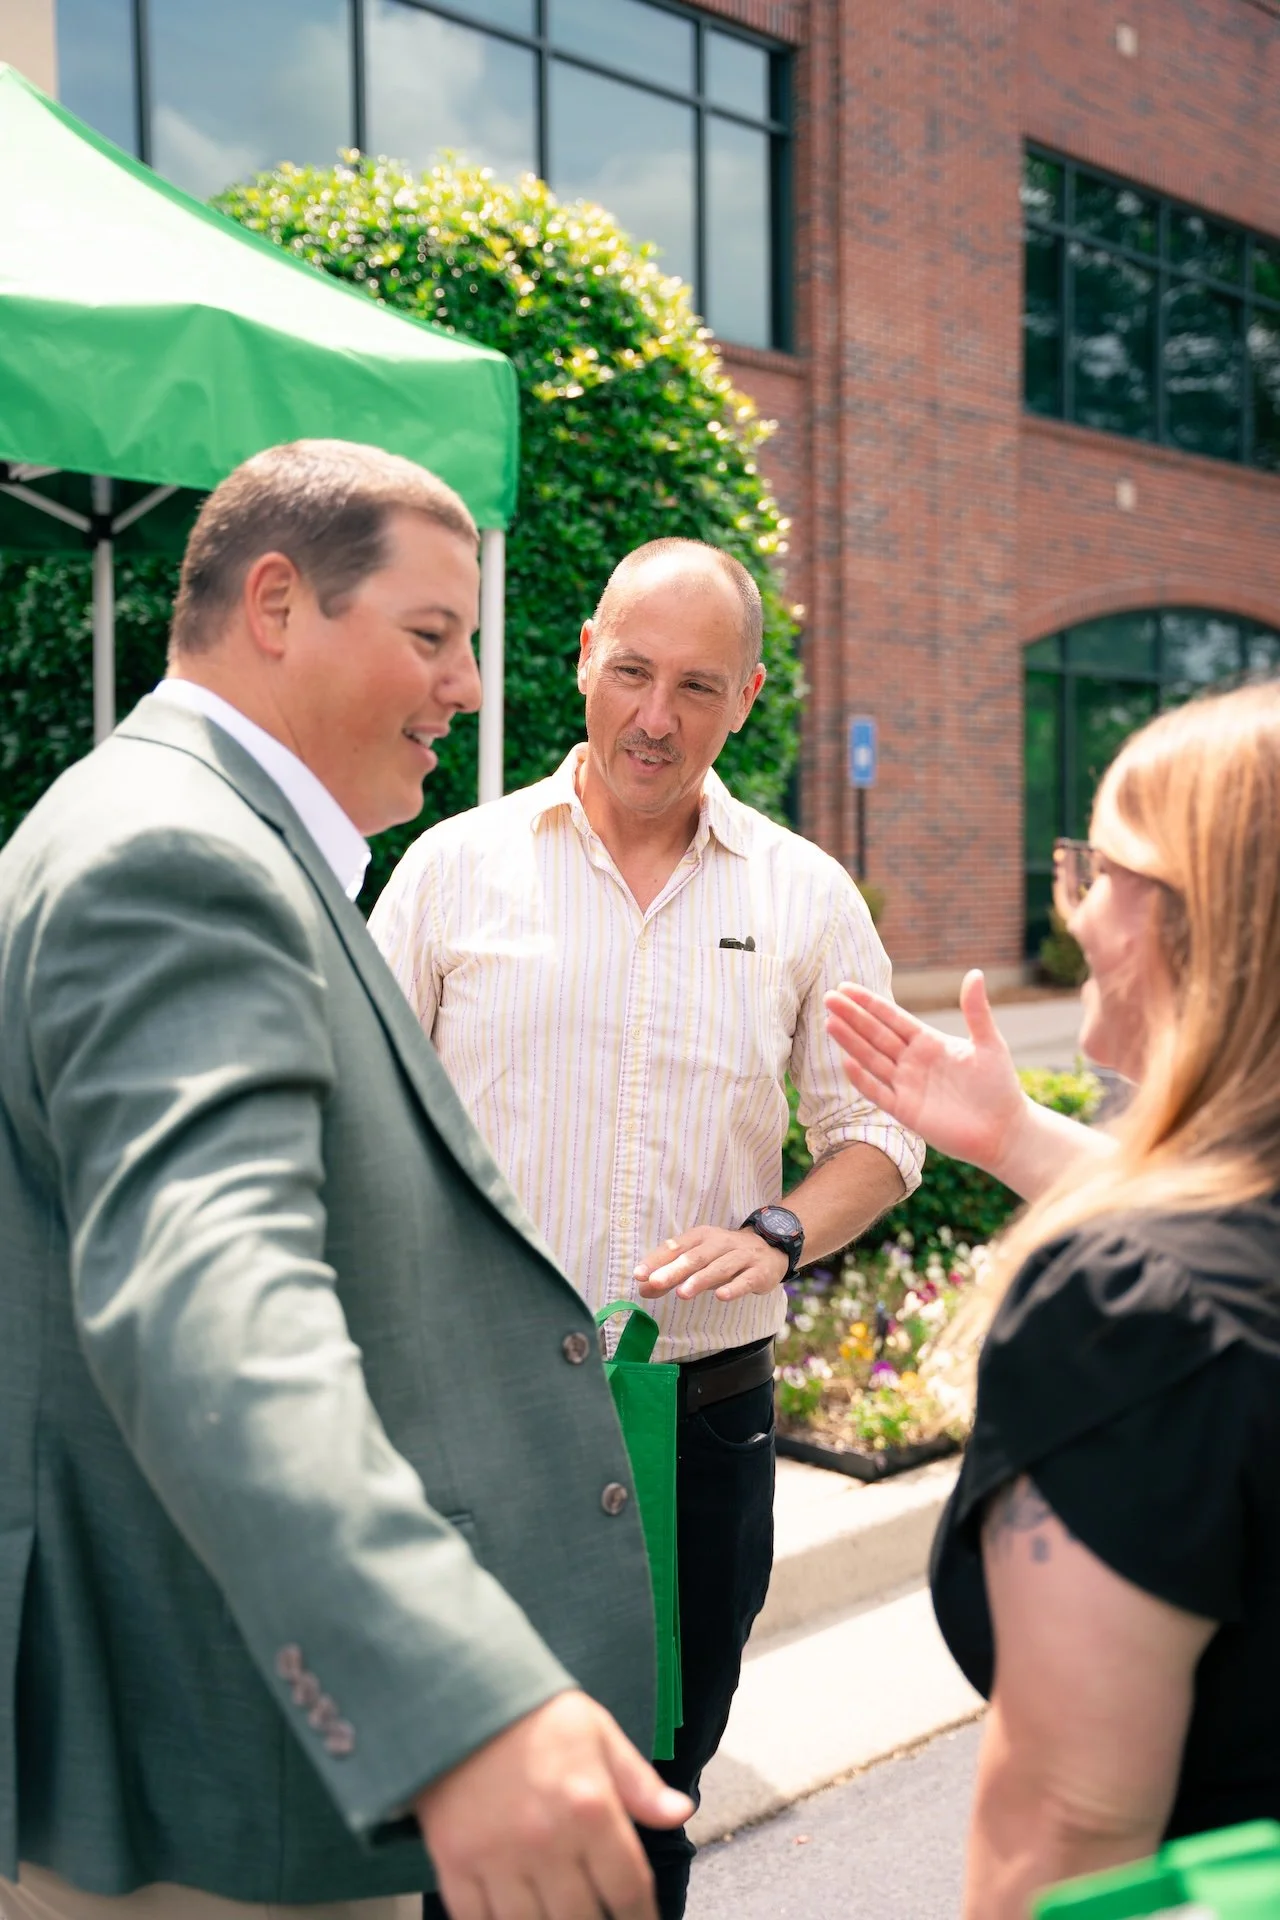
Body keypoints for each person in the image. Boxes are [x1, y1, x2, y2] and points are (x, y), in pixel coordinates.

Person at [0, 440, 693, 1920]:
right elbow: (213, 1309)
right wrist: (449, 1694)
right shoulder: (176, 860)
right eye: (432, 636)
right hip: (204, 1780)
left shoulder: (193, 835)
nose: (465, 687)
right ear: (275, 603)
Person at [368, 536, 924, 1919]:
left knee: (650, 1798)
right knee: (464, 1795)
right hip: (478, 1420)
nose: (655, 718)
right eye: (631, 672)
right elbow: (360, 1119)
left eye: (696, 685)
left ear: (743, 701)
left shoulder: (806, 897)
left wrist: (784, 1230)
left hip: (697, 1420)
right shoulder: (452, 869)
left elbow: (883, 1138)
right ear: (582, 661)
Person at [825, 681, 1280, 1917]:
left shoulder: (1128, 1324)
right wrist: (1015, 1136)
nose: (1070, 906)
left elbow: (1066, 1838)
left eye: (1100, 867)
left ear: (1199, 922)